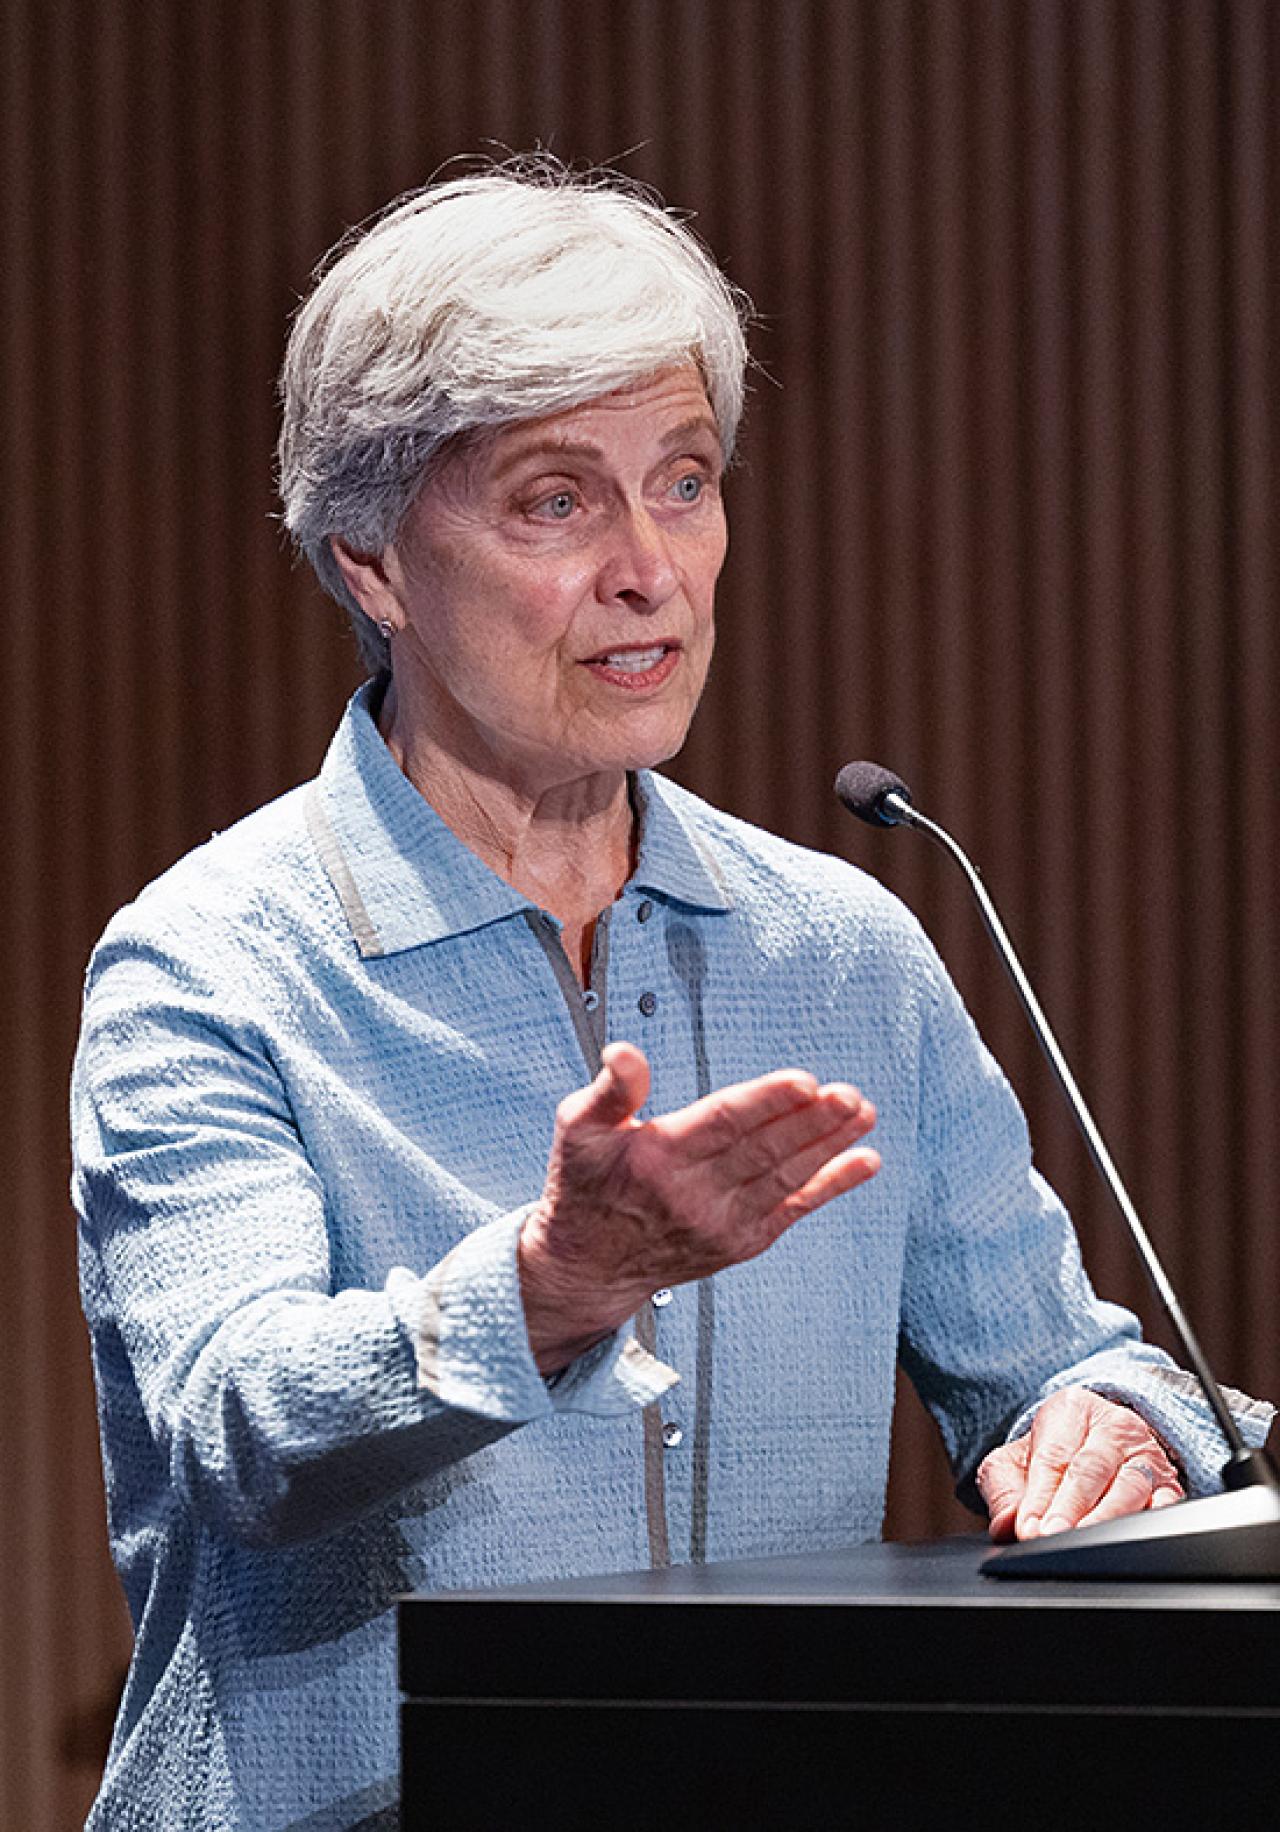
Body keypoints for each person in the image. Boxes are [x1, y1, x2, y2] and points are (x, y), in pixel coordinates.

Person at [72, 161, 1272, 1832]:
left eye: (685, 484)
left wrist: (1107, 1427)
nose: (653, 569)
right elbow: (239, 1428)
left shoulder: (843, 948)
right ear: (372, 562)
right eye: (557, 502)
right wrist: (552, 1284)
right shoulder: (216, 960)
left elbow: (1070, 1365)